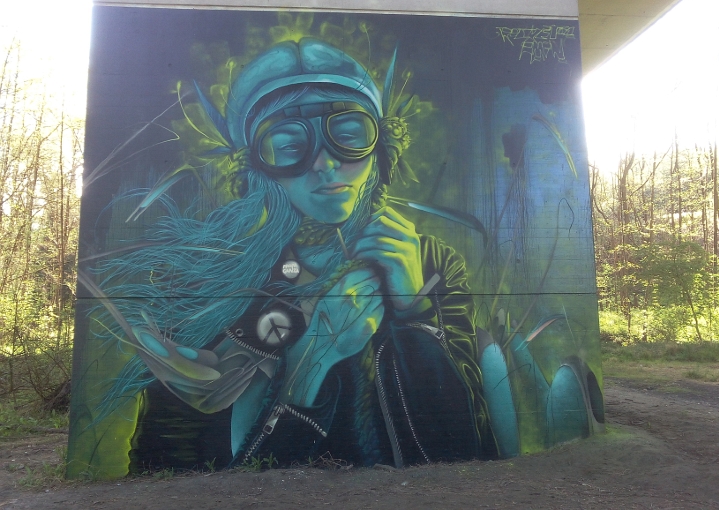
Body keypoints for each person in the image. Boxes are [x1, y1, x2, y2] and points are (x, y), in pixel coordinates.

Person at [96, 38, 497, 470]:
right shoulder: (205, 278)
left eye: (348, 137)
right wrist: (310, 365)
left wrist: (415, 313)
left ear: (379, 148)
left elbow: (464, 446)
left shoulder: (430, 263)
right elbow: (165, 463)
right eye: (290, 146)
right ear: (259, 168)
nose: (325, 163)